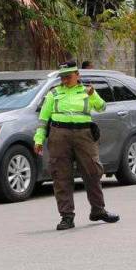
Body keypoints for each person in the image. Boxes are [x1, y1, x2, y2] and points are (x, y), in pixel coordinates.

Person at [34, 60, 120, 230]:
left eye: (68, 77)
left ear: (77, 75)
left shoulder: (87, 91)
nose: (64, 80)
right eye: (62, 77)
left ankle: (98, 210)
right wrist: (38, 139)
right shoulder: (54, 93)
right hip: (59, 135)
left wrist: (93, 94)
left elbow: (102, 107)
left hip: (84, 135)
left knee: (93, 172)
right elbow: (43, 119)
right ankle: (67, 216)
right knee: (61, 175)